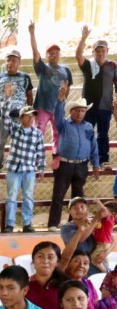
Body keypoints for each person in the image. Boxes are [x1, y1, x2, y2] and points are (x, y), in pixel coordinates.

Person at [48, 85, 100, 231]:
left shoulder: (88, 127)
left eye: (82, 111)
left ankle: (74, 224)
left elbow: (94, 146)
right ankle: (53, 224)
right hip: (65, 164)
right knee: (58, 194)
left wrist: (95, 165)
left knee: (78, 196)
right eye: (76, 110)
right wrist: (60, 101)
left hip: (82, 165)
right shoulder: (63, 124)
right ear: (71, 112)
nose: (79, 113)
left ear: (85, 112)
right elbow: (57, 116)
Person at [28, 21, 73, 155]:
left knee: (58, 133)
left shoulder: (66, 69)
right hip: (42, 106)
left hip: (58, 107)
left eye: (56, 52)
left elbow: (68, 85)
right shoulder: (43, 68)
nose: (53, 54)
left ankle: (57, 157)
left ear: (60, 54)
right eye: (50, 53)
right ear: (46, 56)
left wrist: (63, 98)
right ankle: (36, 157)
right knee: (38, 132)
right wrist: (32, 34)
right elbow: (35, 52)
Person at [75, 27, 117, 168]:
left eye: (102, 50)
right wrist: (83, 38)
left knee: (103, 135)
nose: (100, 53)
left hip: (105, 107)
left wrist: (115, 103)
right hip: (88, 107)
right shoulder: (88, 65)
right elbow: (78, 55)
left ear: (107, 51)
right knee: (86, 133)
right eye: (97, 51)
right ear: (93, 52)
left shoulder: (113, 66)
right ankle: (84, 160)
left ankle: (103, 161)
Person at [0, 49, 35, 170]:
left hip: (19, 116)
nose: (10, 63)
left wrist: (29, 112)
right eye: (8, 60)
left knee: (19, 141)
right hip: (2, 115)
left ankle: (17, 164)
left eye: (13, 60)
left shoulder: (25, 77)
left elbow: (29, 95)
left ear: (19, 62)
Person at [4, 106, 46, 233]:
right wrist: (7, 99)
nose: (30, 118)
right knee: (11, 195)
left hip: (29, 169)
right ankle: (10, 224)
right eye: (27, 116)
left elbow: (40, 151)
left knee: (28, 196)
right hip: (14, 168)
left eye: (32, 116)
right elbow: (6, 119)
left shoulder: (37, 133)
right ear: (21, 117)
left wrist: (41, 168)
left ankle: (27, 223)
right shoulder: (15, 129)